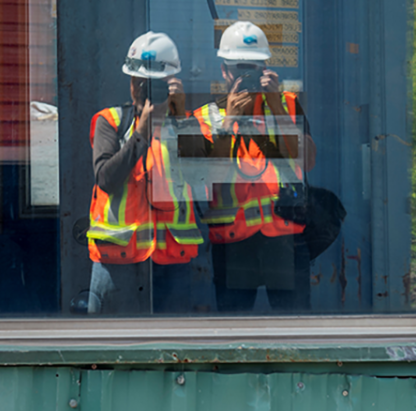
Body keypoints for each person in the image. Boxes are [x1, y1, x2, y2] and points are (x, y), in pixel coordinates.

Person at [185, 21, 316, 312]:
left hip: (284, 238)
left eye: (253, 68)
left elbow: (307, 162)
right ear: (224, 71)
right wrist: (229, 122)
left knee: (294, 330)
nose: (246, 75)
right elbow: (202, 178)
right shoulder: (205, 117)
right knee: (233, 332)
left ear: (266, 69)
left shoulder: (288, 105)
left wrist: (277, 107)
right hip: (233, 244)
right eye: (239, 68)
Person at [85, 31, 204, 314]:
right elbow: (105, 179)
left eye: (153, 85)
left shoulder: (185, 125)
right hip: (117, 262)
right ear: (130, 83)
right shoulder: (111, 121)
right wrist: (140, 134)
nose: (143, 90)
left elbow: (202, 178)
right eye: (139, 83)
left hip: (171, 263)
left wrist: (179, 116)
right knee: (109, 350)